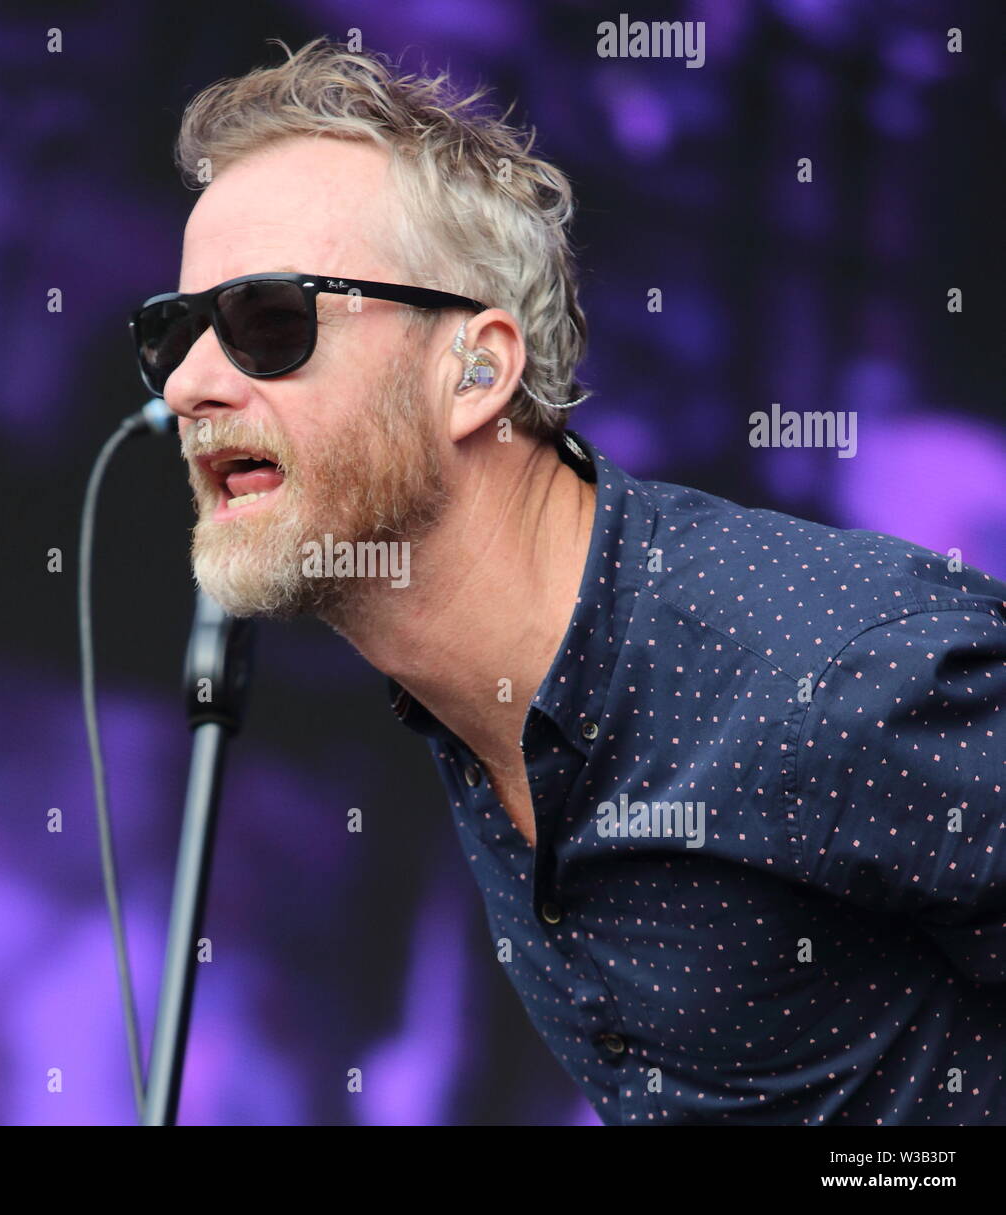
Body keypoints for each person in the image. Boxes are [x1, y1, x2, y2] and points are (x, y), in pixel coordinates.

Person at [134, 37, 1006, 1124]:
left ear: (478, 371)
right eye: (169, 332)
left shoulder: (831, 673)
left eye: (268, 321)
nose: (186, 384)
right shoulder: (473, 692)